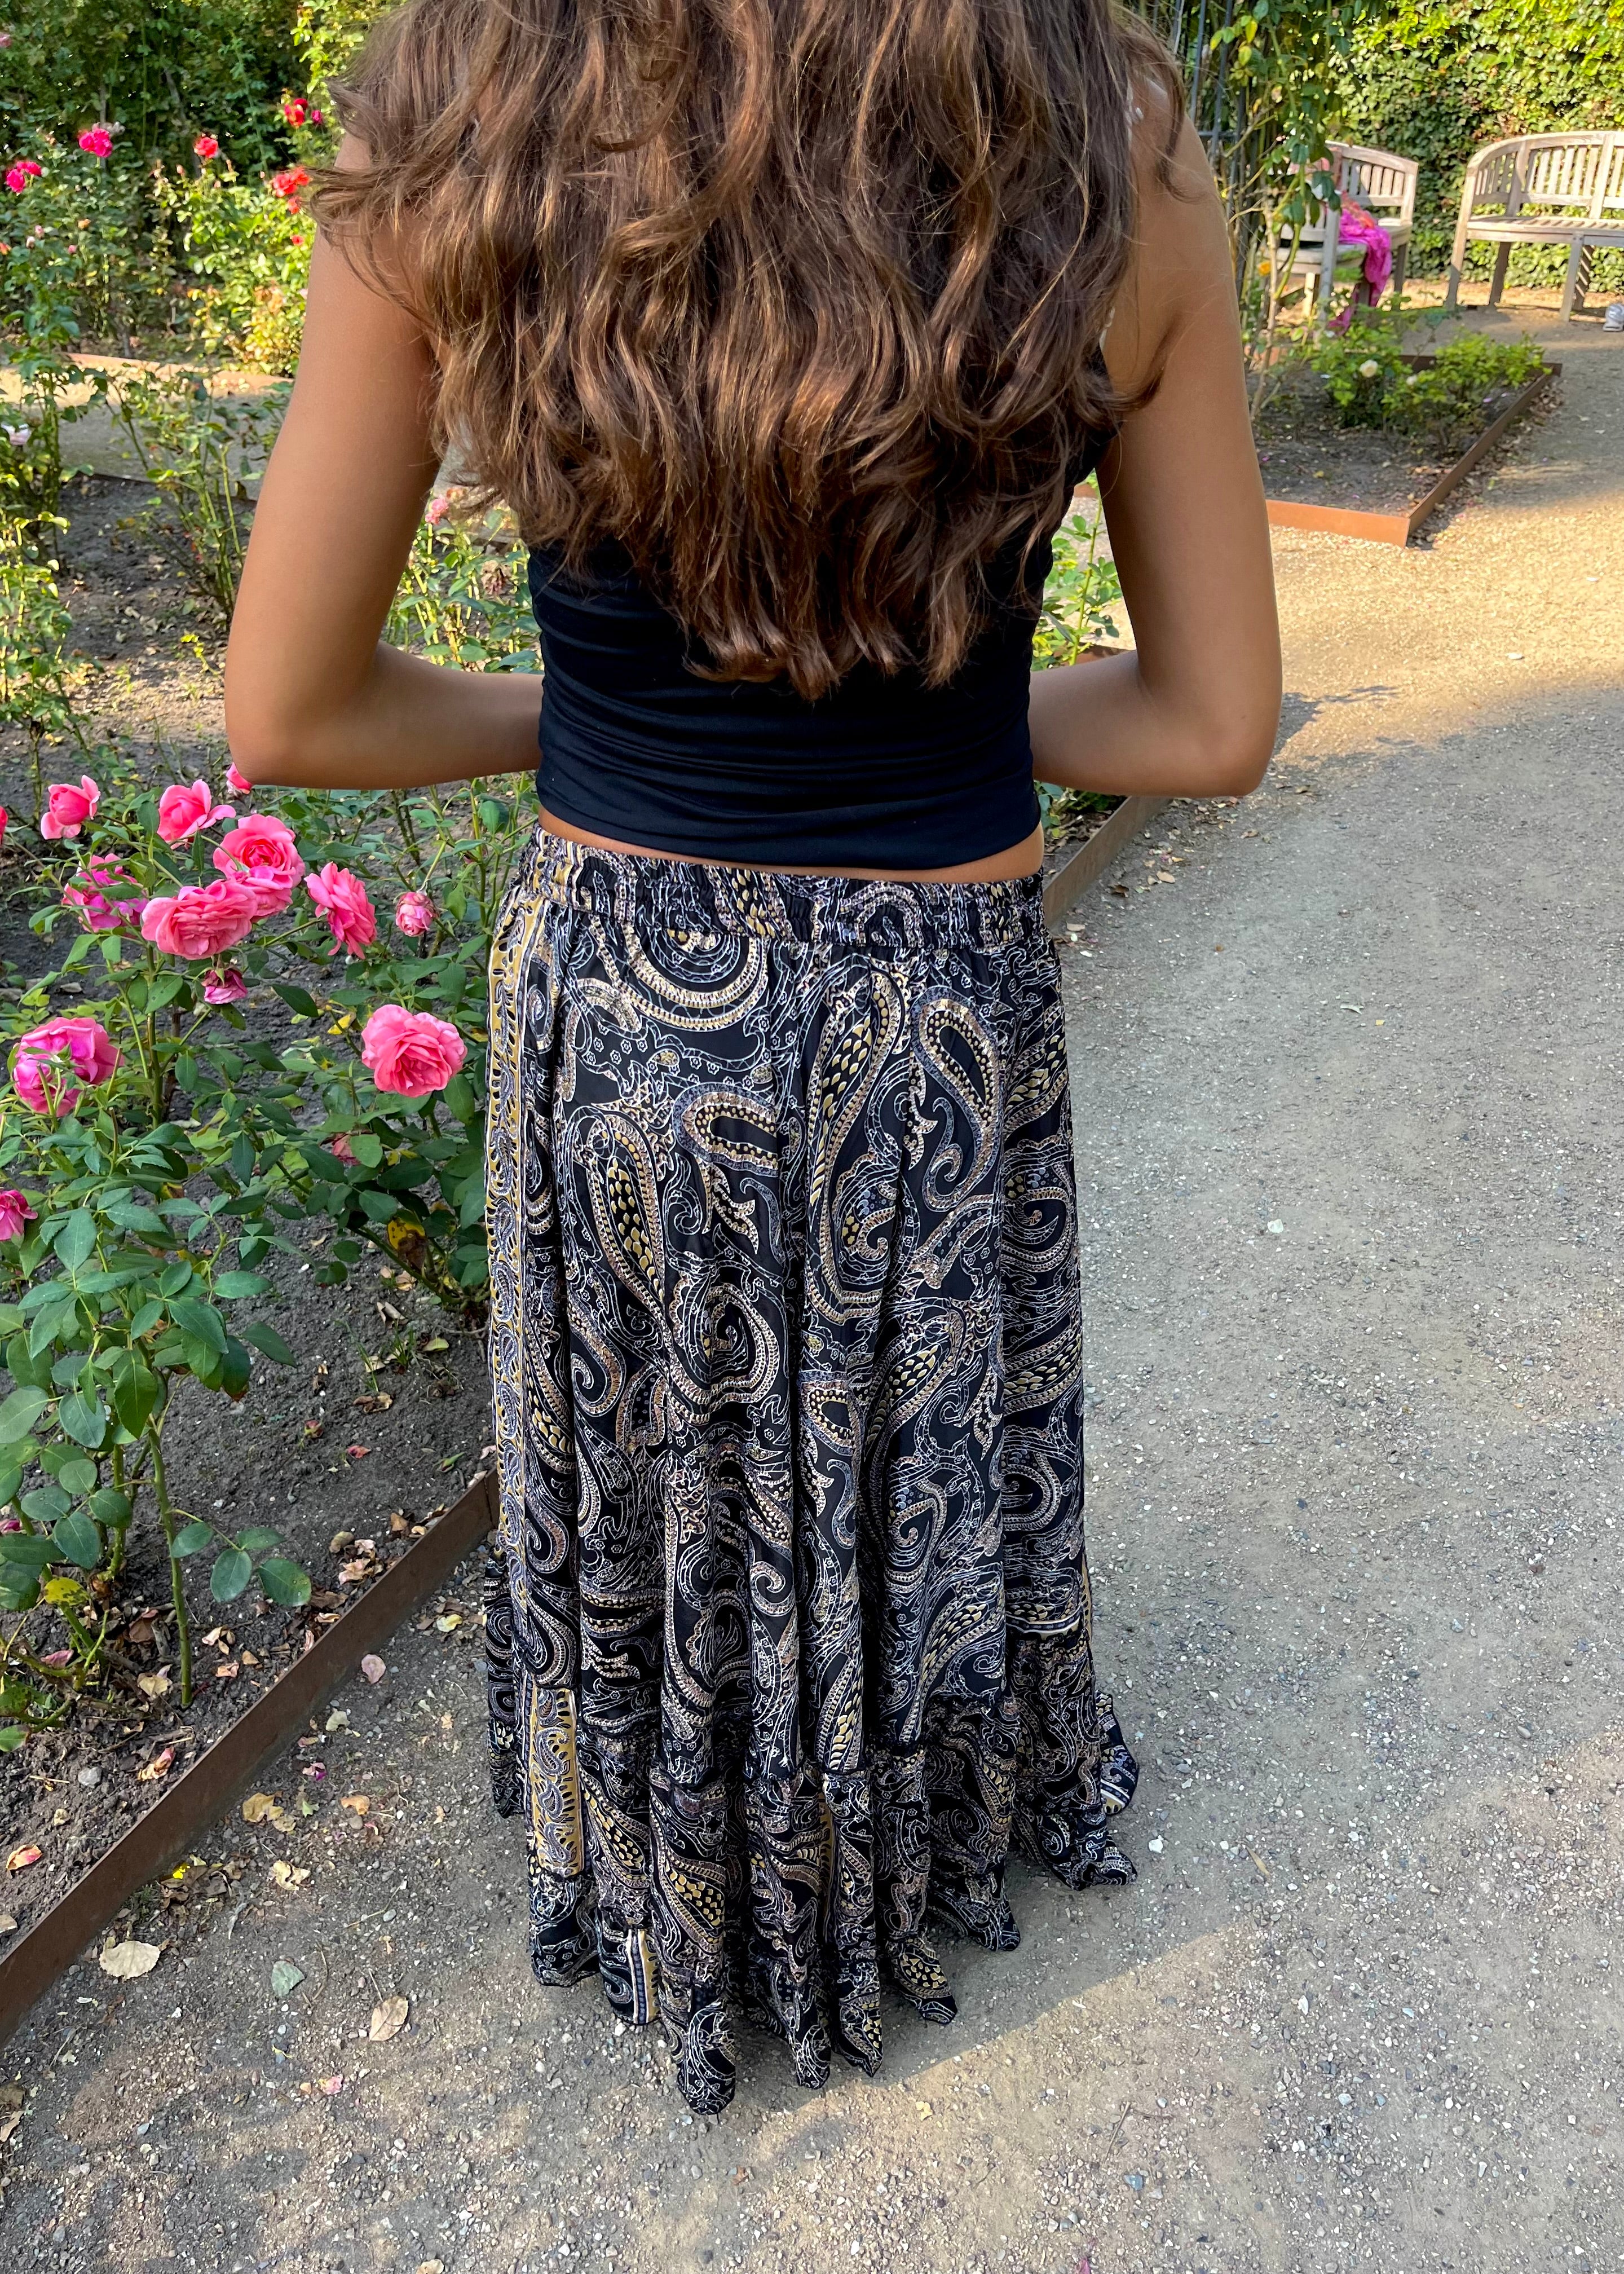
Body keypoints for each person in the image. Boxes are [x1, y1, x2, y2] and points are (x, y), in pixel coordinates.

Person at [225, 0, 1280, 2115]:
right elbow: (1210, 723)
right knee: (910, 1427)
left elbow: (292, 712)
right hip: (937, 997)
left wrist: (610, 721)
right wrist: (926, 719)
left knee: (665, 1449)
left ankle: (673, 1862)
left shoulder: (464, 121)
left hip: (625, 987)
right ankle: (903, 1832)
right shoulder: (1115, 154)